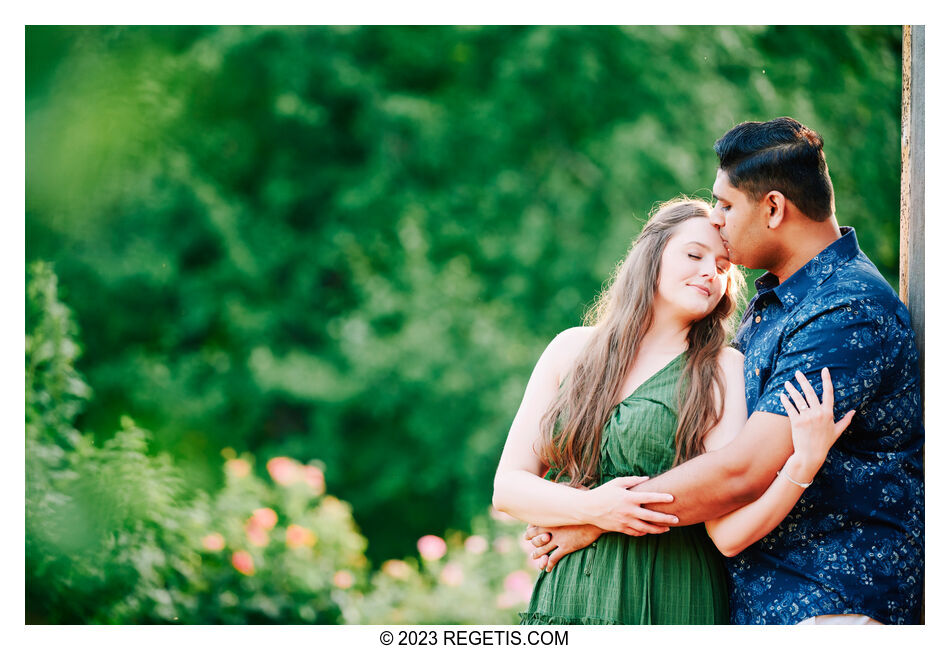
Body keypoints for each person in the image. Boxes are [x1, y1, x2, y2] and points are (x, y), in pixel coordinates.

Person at [523, 117, 924, 625]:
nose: (717, 219)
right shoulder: (778, 303)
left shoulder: (845, 311)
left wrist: (596, 520)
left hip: (826, 608)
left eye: (727, 205)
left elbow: (742, 470)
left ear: (773, 208)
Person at [493, 197, 851, 624]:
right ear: (652, 253)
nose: (710, 272)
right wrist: (594, 510)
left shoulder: (722, 370)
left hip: (673, 594)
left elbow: (730, 535)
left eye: (723, 267)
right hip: (568, 595)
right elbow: (508, 488)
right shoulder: (569, 349)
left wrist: (803, 464)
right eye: (695, 254)